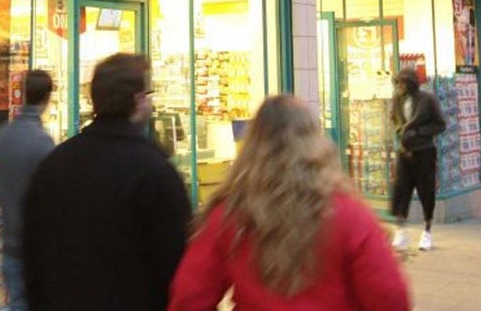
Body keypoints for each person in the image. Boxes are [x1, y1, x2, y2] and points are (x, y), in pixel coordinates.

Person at [168, 94, 410, 311]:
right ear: (316, 143)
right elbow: (391, 298)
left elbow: (189, 299)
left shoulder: (230, 214)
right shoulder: (347, 213)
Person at [23, 53, 191, 311]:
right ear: (139, 100)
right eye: (148, 95)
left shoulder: (54, 165)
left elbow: (33, 256)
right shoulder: (154, 171)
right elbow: (177, 266)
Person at [0, 70, 56, 311]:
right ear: (47, 97)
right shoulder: (42, 142)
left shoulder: (0, 137)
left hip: (10, 245)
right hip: (34, 250)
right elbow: (47, 200)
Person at [390, 67, 446, 252]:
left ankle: (427, 231)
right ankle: (401, 231)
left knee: (426, 192)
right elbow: (395, 119)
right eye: (398, 82)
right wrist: (400, 130)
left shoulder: (427, 99)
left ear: (411, 83)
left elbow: (440, 125)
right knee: (401, 190)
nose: (399, 86)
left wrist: (419, 132)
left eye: (402, 82)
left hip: (424, 152)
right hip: (404, 152)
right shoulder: (397, 100)